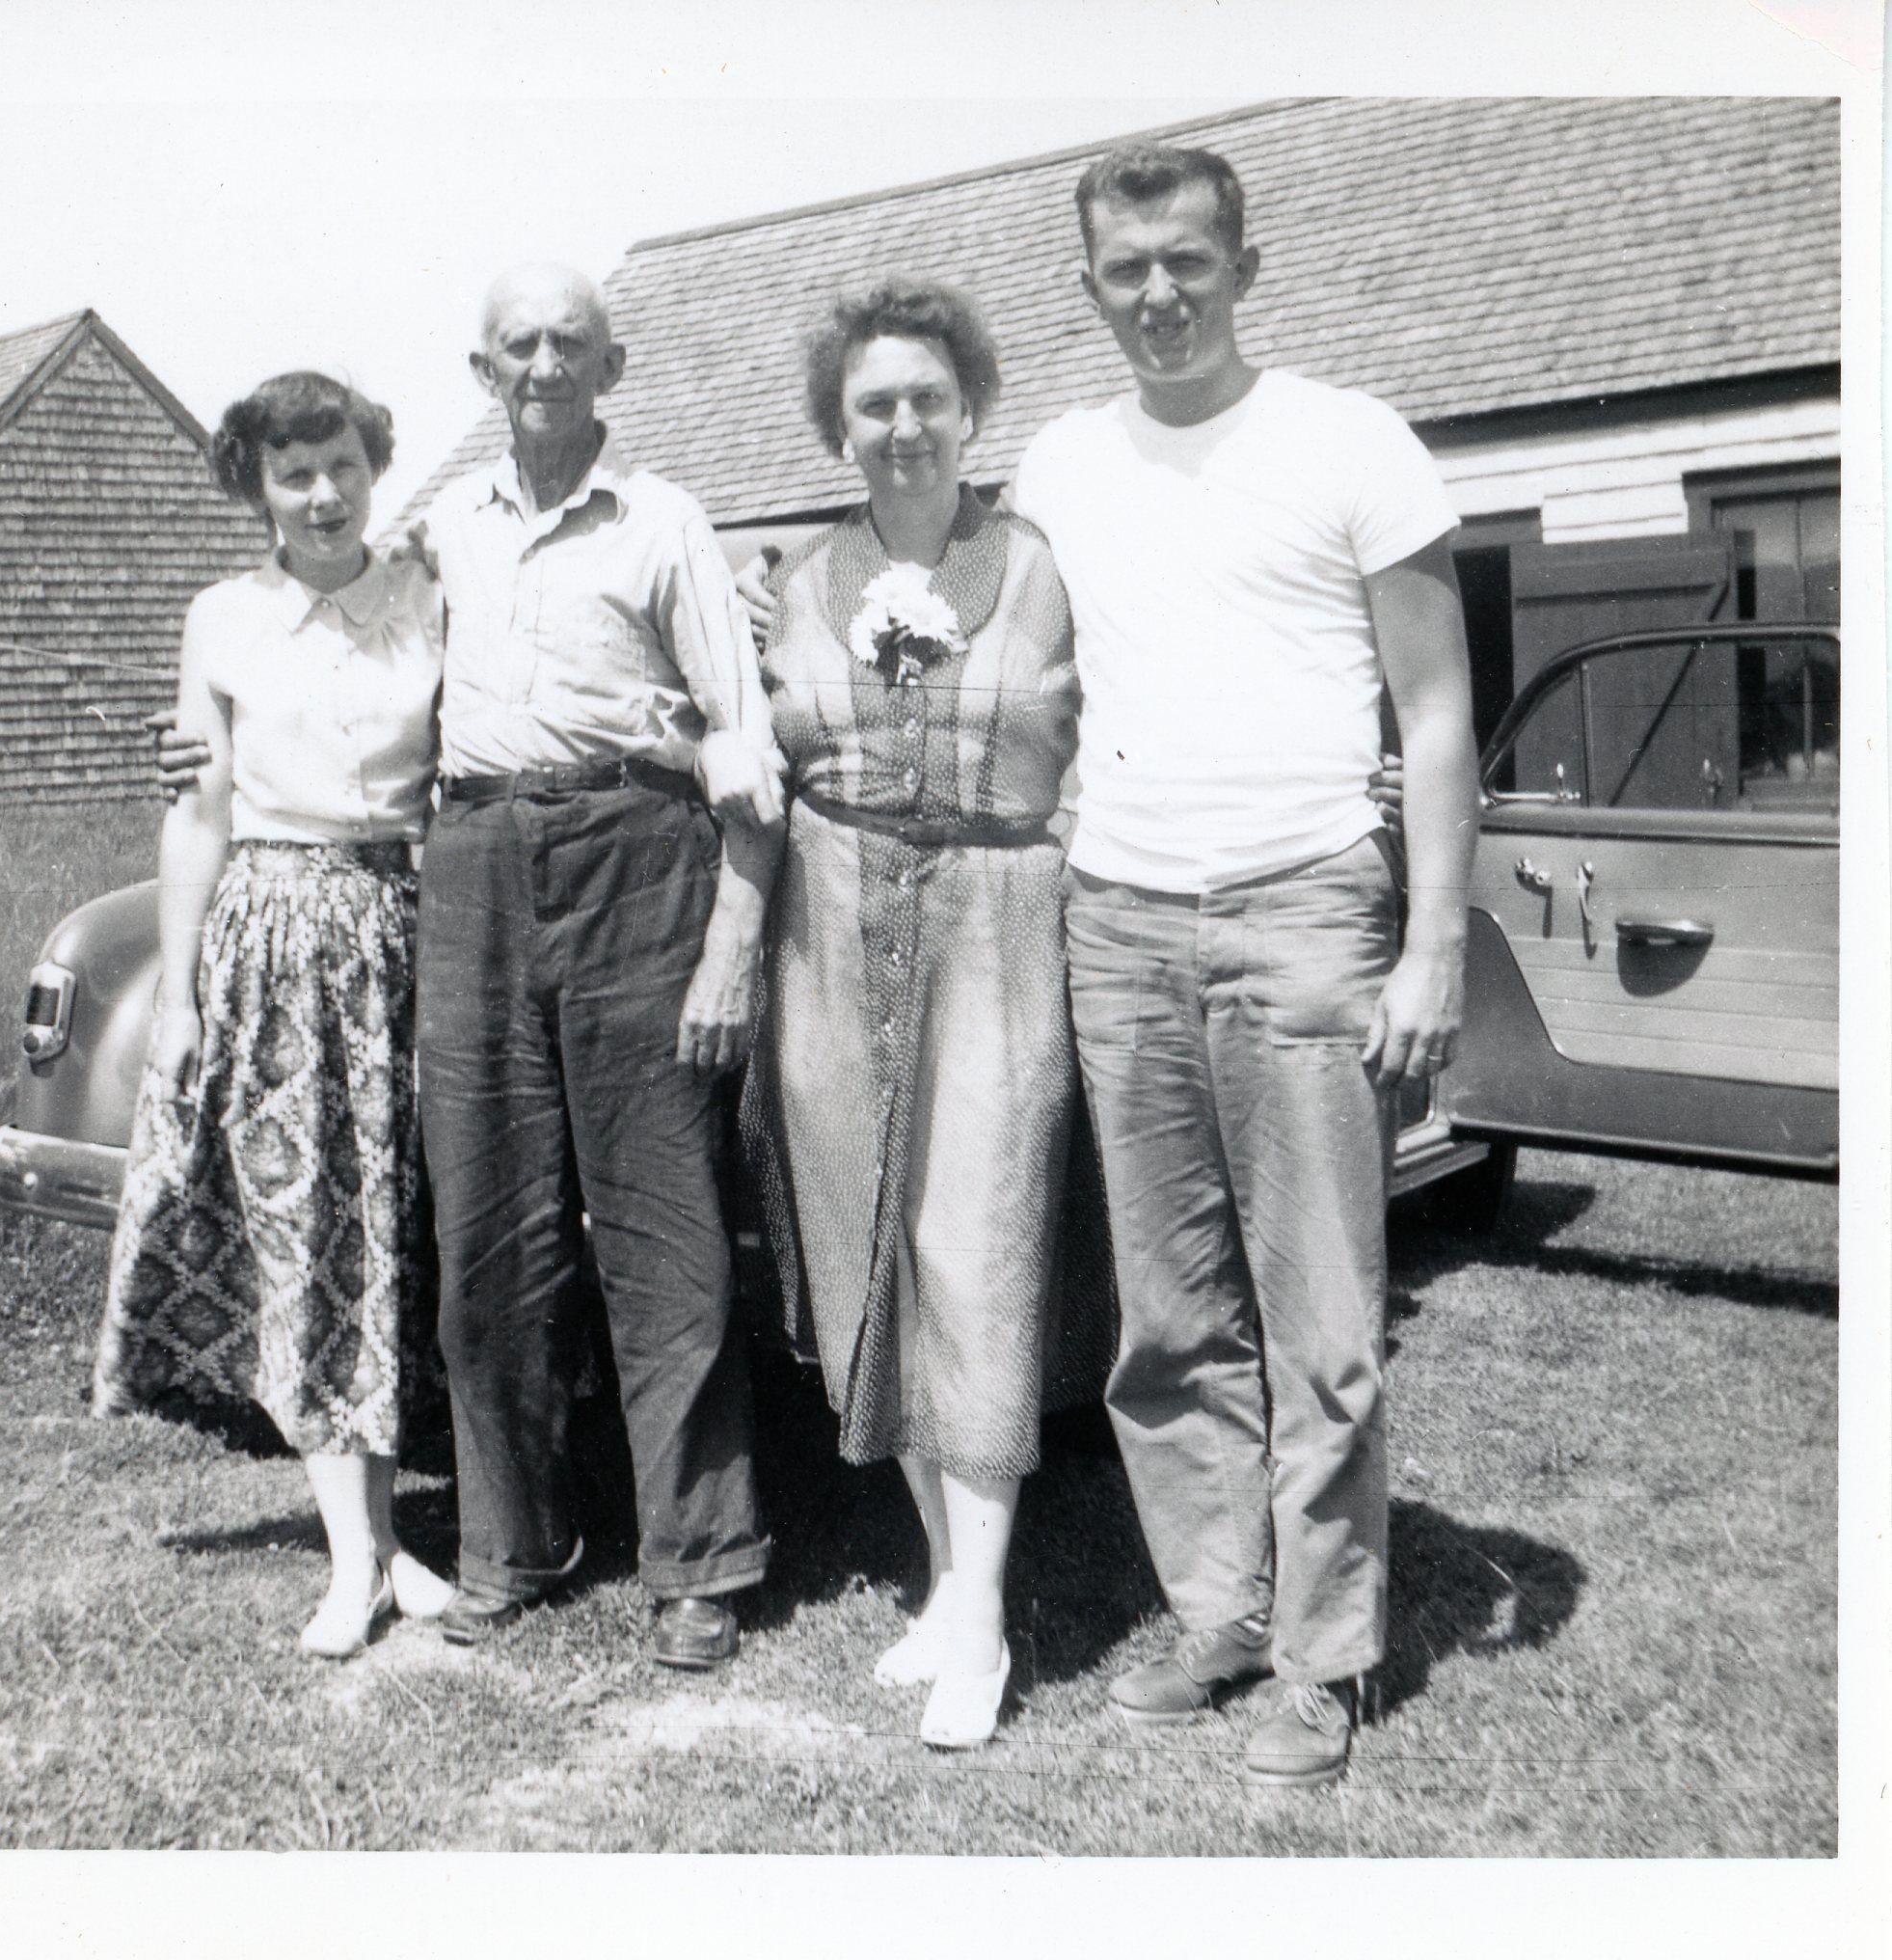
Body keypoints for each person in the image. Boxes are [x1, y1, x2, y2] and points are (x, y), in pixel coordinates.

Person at [1013, 142, 1478, 1787]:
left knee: (1323, 1312)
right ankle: (1219, 1610)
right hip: (1119, 915)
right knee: (1166, 1314)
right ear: (1091, 288)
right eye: (1126, 270)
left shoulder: (1351, 442)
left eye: (1188, 262)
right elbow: (1011, 673)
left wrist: (1432, 943)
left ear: (1244, 265)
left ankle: (1325, 1657)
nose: (1160, 294)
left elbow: (1436, 709)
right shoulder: (1060, 464)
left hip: (1305, 908)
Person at [408, 264, 784, 1668]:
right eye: (520, 344)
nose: (545, 364)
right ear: (483, 370)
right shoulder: (440, 532)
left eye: (572, 341)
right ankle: (513, 1539)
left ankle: (700, 1558)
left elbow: (741, 743)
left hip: (637, 859)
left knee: (663, 1225)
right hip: (475, 865)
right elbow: (343, 665)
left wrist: (731, 942)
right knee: (485, 1234)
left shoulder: (666, 522)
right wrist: (209, 739)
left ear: (611, 367)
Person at [737, 280, 1096, 1749]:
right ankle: (944, 1582)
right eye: (874, 402)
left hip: (1000, 928)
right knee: (864, 1245)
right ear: (839, 423)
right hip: (827, 934)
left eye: (928, 399)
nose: (903, 425)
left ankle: (987, 1619)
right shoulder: (793, 583)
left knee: (979, 1248)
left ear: (971, 410)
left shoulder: (1046, 567)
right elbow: (739, 735)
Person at [95, 371, 455, 1659]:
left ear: (375, 466)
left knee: (396, 1239)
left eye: (343, 465)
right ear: (256, 487)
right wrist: (183, 995)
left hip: (411, 933)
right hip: (276, 941)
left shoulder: (431, 592)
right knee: (306, 1237)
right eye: (294, 473)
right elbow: (195, 812)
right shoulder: (223, 618)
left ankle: (393, 1540)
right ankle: (356, 1559)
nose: (323, 494)